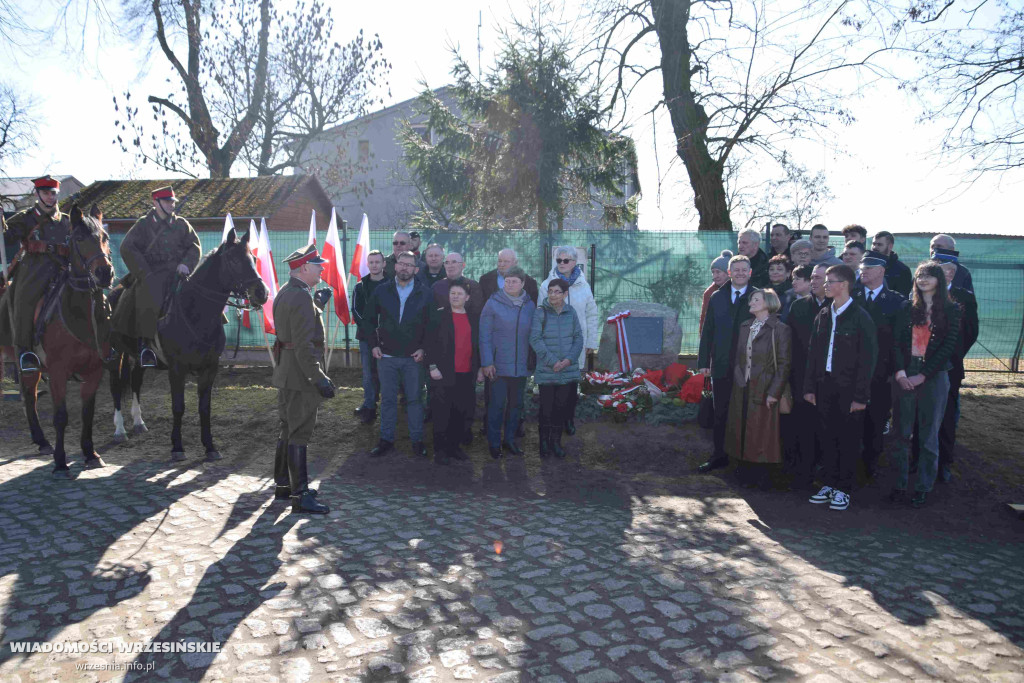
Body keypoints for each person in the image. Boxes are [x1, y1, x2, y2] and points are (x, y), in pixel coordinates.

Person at [803, 264, 877, 512]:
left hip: (850, 392)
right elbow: (813, 354)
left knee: (848, 439)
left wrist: (860, 396)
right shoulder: (823, 315)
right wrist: (809, 387)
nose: (825, 285)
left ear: (843, 284)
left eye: (829, 281)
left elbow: (868, 361)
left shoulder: (861, 317)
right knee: (826, 436)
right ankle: (828, 483)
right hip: (824, 387)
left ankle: (844, 489)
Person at [889, 261, 960, 508]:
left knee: (929, 435)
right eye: (919, 275)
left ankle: (923, 487)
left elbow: (948, 348)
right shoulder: (906, 307)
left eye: (929, 275)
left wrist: (924, 376)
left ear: (939, 279)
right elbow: (895, 342)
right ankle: (898, 485)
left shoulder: (951, 310)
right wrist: (900, 372)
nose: (923, 279)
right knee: (900, 434)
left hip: (934, 376)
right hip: (904, 374)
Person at [272, 245, 337, 515]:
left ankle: (284, 486)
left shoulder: (288, 292)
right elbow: (302, 344)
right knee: (300, 431)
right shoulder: (299, 296)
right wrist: (318, 376)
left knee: (288, 428)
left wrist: (317, 305)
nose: (322, 268)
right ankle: (300, 497)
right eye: (318, 265)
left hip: (288, 372)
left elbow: (293, 328)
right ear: (304, 269)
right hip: (301, 375)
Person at [114, 186, 202, 368]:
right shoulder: (143, 224)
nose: (171, 205)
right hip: (151, 274)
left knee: (198, 293)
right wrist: (144, 272)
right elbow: (127, 248)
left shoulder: (181, 224)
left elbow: (194, 246)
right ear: (156, 203)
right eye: (167, 201)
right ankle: (145, 346)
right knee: (149, 294)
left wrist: (186, 264)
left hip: (177, 272)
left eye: (172, 201)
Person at [0, 176, 72, 372]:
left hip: (63, 270)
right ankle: (25, 351)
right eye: (46, 193)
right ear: (37, 194)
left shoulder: (66, 221)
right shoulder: (25, 218)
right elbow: (5, 238)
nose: (50, 197)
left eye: (53, 193)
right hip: (34, 271)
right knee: (24, 300)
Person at [366, 251, 433, 458]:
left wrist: (424, 348)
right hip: (386, 357)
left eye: (409, 265)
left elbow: (431, 326)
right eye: (401, 264)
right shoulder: (381, 290)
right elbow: (368, 320)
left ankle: (417, 440)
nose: (404, 268)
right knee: (387, 400)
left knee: (414, 400)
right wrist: (373, 345)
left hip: (413, 358)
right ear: (394, 266)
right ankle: (386, 439)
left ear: (416, 269)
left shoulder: (425, 293)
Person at [697, 254, 758, 473]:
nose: (740, 273)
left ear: (750, 273)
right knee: (720, 411)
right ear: (729, 273)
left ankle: (744, 459)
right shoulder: (717, 297)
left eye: (744, 270)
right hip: (721, 364)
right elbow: (708, 331)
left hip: (748, 366)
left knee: (745, 412)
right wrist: (704, 361)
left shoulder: (757, 296)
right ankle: (719, 455)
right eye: (736, 270)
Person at [726, 289, 791, 487]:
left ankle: (761, 477)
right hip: (743, 387)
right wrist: (739, 380)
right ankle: (742, 471)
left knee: (762, 431)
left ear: (768, 303)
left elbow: (784, 364)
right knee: (741, 427)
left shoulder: (780, 329)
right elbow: (738, 357)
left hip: (764, 387)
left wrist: (774, 392)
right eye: (751, 299)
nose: (751, 303)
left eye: (756, 299)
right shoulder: (745, 326)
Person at [854, 250, 909, 480]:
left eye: (868, 268)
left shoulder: (896, 301)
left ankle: (870, 466)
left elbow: (899, 341)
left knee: (875, 421)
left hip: (881, 373)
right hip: (852, 370)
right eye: (861, 268)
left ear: (881, 272)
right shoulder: (851, 295)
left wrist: (895, 370)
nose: (863, 272)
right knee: (852, 421)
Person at [541, 246, 599, 435]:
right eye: (559, 260)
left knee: (572, 384)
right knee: (555, 385)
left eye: (566, 260)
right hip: (553, 345)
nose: (562, 264)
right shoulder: (545, 285)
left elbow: (591, 314)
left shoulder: (583, 285)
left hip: (576, 344)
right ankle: (553, 423)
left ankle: (568, 420)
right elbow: (540, 316)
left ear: (574, 262)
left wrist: (591, 341)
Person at [480, 266, 536, 458]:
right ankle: (494, 444)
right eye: (507, 280)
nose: (510, 284)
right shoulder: (492, 303)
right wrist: (487, 362)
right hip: (498, 366)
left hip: (520, 367)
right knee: (496, 406)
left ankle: (509, 440)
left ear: (523, 283)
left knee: (516, 406)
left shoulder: (529, 304)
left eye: (514, 281)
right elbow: (484, 335)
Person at [426, 278, 483, 464]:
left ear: (467, 297)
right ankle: (440, 451)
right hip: (442, 373)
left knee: (461, 411)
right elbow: (429, 342)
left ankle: (454, 447)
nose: (455, 296)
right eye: (452, 293)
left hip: (466, 373)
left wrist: (480, 368)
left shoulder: (474, 318)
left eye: (459, 294)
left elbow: (478, 346)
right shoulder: (439, 315)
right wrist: (432, 366)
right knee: (442, 412)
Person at [935, 257, 979, 482]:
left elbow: (971, 332)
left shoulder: (965, 298)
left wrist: (954, 354)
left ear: (952, 274)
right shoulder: (922, 294)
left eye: (945, 271)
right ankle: (919, 460)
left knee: (947, 415)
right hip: (923, 367)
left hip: (951, 367)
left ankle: (944, 462)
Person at [786, 264, 830, 486]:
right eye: (812, 277)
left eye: (819, 278)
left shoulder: (838, 307)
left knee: (826, 427)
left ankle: (824, 472)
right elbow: (790, 344)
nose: (813, 281)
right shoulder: (799, 306)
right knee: (803, 425)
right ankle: (802, 472)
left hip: (830, 380)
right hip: (802, 379)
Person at [530, 279, 584, 459]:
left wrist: (568, 360)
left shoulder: (571, 313)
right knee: (546, 409)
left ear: (565, 294)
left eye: (557, 291)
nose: (553, 295)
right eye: (550, 291)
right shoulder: (540, 313)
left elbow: (578, 338)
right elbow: (535, 339)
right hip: (548, 370)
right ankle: (543, 444)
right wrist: (553, 361)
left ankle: (556, 442)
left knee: (561, 409)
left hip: (567, 371)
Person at [352, 250, 388, 425]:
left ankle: (389, 406)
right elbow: (356, 312)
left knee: (387, 373)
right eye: (371, 262)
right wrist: (370, 331)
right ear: (368, 264)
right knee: (368, 373)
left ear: (384, 264)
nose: (374, 265)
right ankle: (369, 405)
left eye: (377, 262)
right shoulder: (360, 286)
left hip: (389, 338)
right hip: (366, 338)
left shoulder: (392, 284)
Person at [432, 251, 484, 320]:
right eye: (447, 263)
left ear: (463, 265)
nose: (450, 266)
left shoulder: (473, 286)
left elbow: (478, 313)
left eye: (454, 262)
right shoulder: (437, 287)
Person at [871, 230, 912, 297]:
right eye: (873, 244)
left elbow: (902, 298)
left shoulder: (902, 270)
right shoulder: (864, 266)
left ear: (890, 246)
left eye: (879, 244)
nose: (875, 247)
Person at [700, 250, 732, 333]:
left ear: (728, 273)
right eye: (713, 272)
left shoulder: (738, 289)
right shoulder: (709, 293)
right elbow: (704, 318)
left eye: (718, 272)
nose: (714, 276)